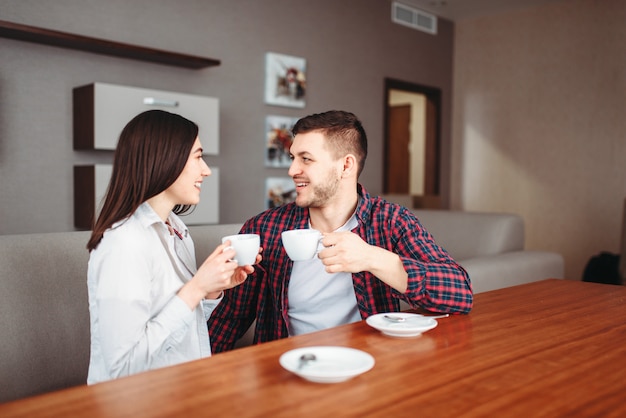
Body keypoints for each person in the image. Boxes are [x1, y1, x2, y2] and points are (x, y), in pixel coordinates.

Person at [208, 110, 472, 352]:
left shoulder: (392, 222)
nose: (292, 170)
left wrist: (372, 258)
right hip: (289, 371)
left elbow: (459, 293)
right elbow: (229, 319)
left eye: (306, 159)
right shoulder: (264, 229)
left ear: (346, 166)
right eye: (292, 158)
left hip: (372, 368)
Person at [86, 110, 258, 384]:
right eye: (198, 156)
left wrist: (211, 291)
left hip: (181, 390)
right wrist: (195, 288)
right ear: (165, 159)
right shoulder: (123, 244)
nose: (206, 170)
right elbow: (123, 369)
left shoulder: (176, 232)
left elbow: (183, 328)